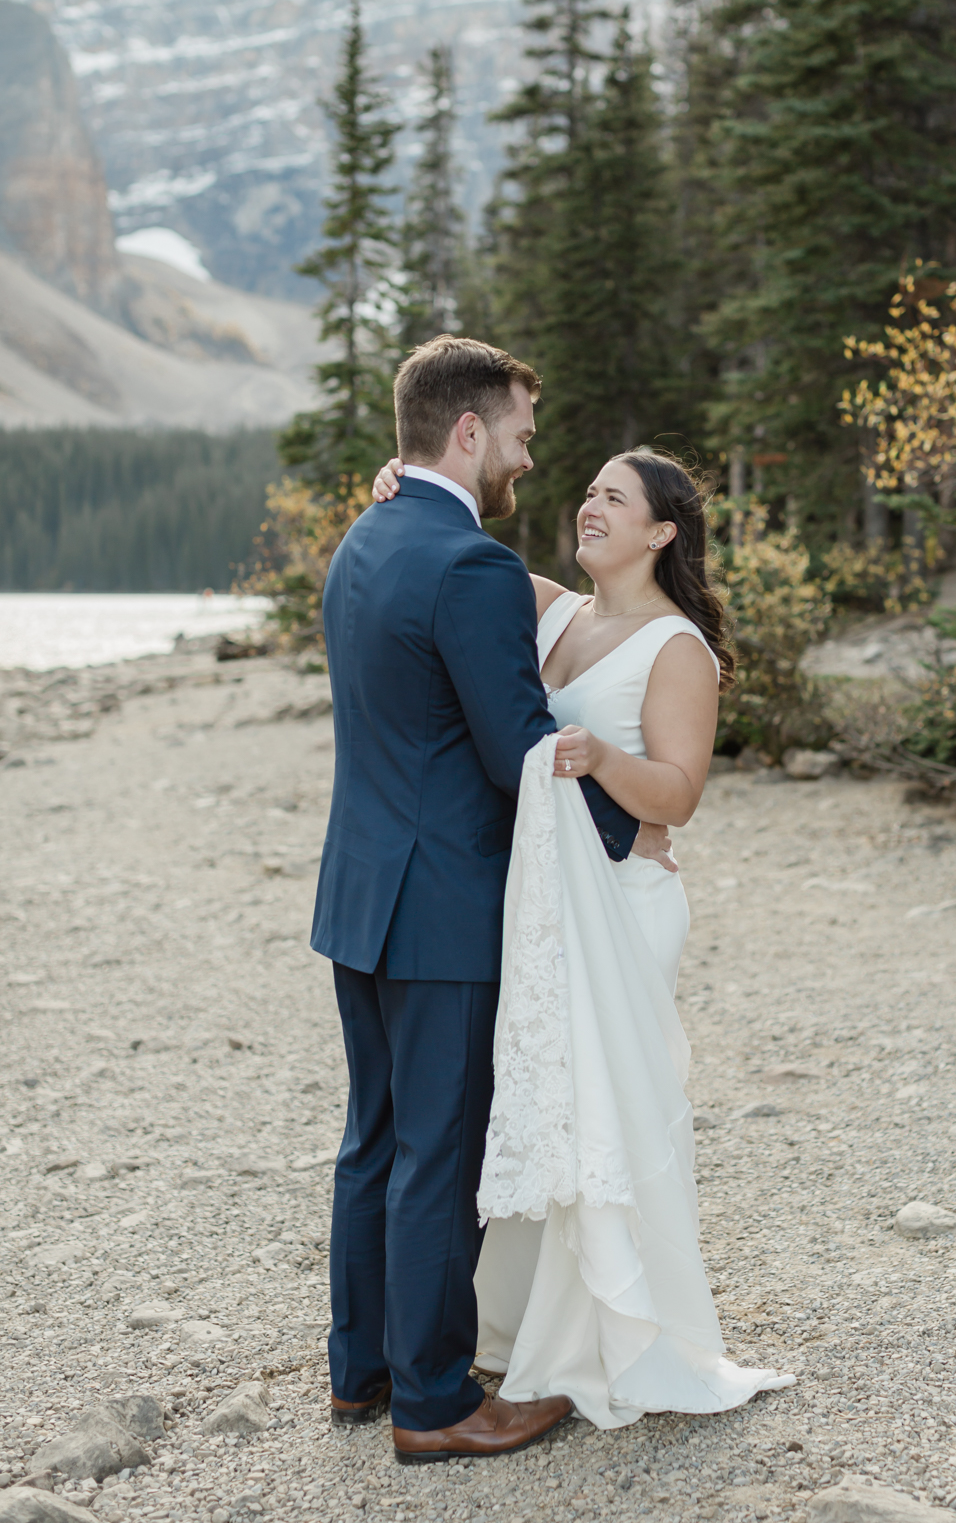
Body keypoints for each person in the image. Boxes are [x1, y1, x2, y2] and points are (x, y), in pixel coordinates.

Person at [369, 443, 793, 1426]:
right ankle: (516, 1326)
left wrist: (600, 756)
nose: (589, 505)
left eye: (615, 497)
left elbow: (678, 796)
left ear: (662, 531)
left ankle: (610, 1338)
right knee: (546, 1098)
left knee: (606, 1109)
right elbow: (451, 554)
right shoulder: (557, 610)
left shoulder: (677, 647)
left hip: (628, 905)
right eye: (589, 490)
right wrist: (398, 492)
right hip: (551, 913)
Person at [314, 336, 669, 1465]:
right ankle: (432, 1403)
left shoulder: (363, 541)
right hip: (443, 907)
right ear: (467, 432)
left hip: (360, 893)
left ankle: (361, 1371)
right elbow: (520, 748)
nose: (528, 454)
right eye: (518, 431)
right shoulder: (467, 565)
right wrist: (634, 829)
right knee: (438, 1153)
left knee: (373, 1140)